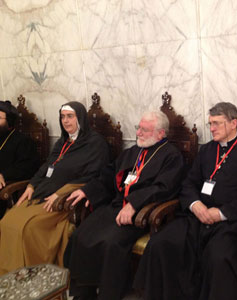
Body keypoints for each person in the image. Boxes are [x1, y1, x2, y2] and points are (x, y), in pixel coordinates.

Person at [134, 102, 237, 300]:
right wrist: (196, 206)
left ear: (233, 123)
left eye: (216, 123)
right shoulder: (206, 150)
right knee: (161, 243)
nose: (211, 128)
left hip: (229, 222)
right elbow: (188, 184)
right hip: (196, 218)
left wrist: (221, 213)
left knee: (219, 258)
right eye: (210, 124)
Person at [63, 110, 185, 300]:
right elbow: (108, 174)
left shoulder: (171, 156)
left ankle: (108, 294)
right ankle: (83, 292)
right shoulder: (132, 152)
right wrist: (88, 190)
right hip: (116, 205)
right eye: (139, 128)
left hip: (140, 213)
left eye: (144, 130)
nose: (138, 134)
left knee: (111, 243)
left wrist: (134, 204)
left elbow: (164, 188)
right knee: (81, 235)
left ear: (161, 133)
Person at [0, 101, 109, 275]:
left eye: (70, 116)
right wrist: (31, 185)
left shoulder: (95, 143)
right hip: (43, 193)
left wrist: (61, 193)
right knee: (7, 222)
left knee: (29, 228)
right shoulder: (62, 142)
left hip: (65, 200)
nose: (65, 121)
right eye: (62, 117)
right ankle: (10, 275)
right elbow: (46, 167)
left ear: (80, 118)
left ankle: (33, 275)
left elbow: (94, 176)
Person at [0, 100, 39, 218]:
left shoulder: (23, 141)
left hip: (6, 188)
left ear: (9, 122)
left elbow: (26, 168)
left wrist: (3, 175)